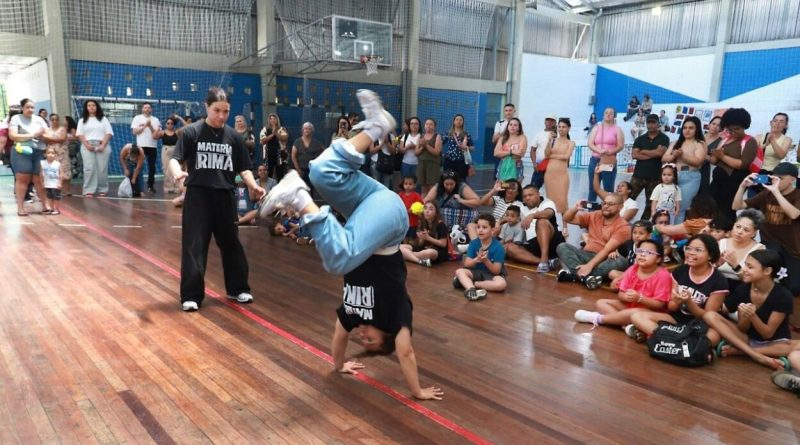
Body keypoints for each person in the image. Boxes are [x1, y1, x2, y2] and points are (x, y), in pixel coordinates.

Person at [258, 89, 443, 400]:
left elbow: (338, 335)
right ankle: (300, 198)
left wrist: (339, 364)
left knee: (321, 172)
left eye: (363, 341)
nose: (363, 336)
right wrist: (418, 391)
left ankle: (376, 127)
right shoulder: (396, 315)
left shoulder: (353, 314)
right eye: (370, 341)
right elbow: (406, 353)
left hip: (370, 207)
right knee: (338, 261)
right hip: (391, 223)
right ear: (384, 335)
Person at [167, 87, 266, 312]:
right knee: (194, 246)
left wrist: (253, 185)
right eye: (216, 110)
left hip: (224, 197)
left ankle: (238, 288)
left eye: (226, 111)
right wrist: (177, 173)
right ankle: (191, 295)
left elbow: (244, 168)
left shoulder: (234, 137)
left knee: (232, 245)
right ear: (206, 107)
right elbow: (175, 159)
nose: (221, 116)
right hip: (198, 198)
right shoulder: (191, 132)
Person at [703, 250, 797, 370]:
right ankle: (758, 356)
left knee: (795, 345)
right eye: (746, 265)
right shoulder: (743, 289)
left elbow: (767, 334)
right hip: (747, 338)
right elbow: (742, 328)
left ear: (767, 271)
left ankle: (740, 351)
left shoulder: (783, 296)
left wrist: (753, 316)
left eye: (750, 267)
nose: (745, 270)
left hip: (775, 342)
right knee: (710, 315)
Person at [628, 234, 729, 343]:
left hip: (699, 325)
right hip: (674, 321)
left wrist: (689, 303)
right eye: (688, 248)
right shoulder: (680, 271)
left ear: (710, 255)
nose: (691, 253)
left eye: (698, 250)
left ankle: (663, 338)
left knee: (713, 337)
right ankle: (683, 343)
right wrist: (676, 301)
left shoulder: (719, 281)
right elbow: (672, 308)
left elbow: (708, 317)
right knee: (637, 316)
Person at [734, 164, 800, 296]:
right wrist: (742, 186)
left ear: (792, 180)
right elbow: (737, 205)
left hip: (792, 249)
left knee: (794, 288)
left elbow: (794, 214)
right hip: (770, 245)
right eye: (774, 177)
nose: (776, 181)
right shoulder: (767, 193)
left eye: (780, 178)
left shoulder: (797, 195)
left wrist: (775, 191)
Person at [574, 239, 672, 328]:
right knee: (601, 303)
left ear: (658, 259)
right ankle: (627, 326)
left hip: (650, 312)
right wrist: (626, 297)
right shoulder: (633, 269)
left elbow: (660, 305)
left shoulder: (663, 275)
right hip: (630, 306)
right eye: (640, 251)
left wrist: (640, 298)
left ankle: (599, 319)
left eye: (648, 252)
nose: (642, 255)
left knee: (633, 313)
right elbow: (621, 294)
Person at [556, 193, 631, 289]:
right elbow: (567, 218)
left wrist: (589, 266)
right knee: (562, 246)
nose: (606, 206)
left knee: (620, 261)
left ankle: (575, 276)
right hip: (587, 255)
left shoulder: (623, 227)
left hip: (606, 259)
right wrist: (576, 208)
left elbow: (607, 250)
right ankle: (586, 278)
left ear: (621, 207)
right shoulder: (595, 215)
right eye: (604, 203)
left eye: (611, 204)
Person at [710, 108, 758, 221]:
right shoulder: (725, 139)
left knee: (726, 211)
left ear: (744, 126)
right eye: (730, 129)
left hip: (733, 183)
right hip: (717, 181)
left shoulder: (749, 141)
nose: (733, 132)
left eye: (737, 129)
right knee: (711, 208)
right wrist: (716, 155)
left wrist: (722, 156)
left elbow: (743, 164)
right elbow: (713, 160)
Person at [504, 185, 564, 272]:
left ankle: (544, 259)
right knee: (509, 247)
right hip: (533, 243)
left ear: (538, 194)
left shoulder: (547, 202)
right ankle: (546, 263)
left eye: (530, 195)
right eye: (525, 196)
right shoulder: (522, 207)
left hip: (552, 240)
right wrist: (498, 224)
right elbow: (511, 218)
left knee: (541, 221)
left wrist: (533, 215)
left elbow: (548, 213)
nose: (527, 198)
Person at [8, 98, 51, 215]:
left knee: (39, 179)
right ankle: (21, 208)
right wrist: (33, 135)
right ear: (22, 108)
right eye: (27, 107)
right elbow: (13, 136)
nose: (30, 109)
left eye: (32, 107)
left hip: (39, 151)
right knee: (23, 179)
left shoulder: (39, 120)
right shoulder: (16, 119)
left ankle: (45, 205)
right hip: (22, 151)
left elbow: (47, 135)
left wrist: (43, 136)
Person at [453, 213, 507, 301]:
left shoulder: (498, 247)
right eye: (478, 227)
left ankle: (471, 284)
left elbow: (496, 271)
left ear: (492, 230)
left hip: (491, 274)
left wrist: (486, 261)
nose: (480, 230)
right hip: (475, 272)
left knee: (501, 284)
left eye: (484, 227)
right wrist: (476, 259)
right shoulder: (474, 243)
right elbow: (467, 264)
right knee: (459, 271)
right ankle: (471, 290)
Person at [661, 116, 705, 223]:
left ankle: (675, 236)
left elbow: (698, 161)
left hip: (691, 177)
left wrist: (682, 155)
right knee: (667, 206)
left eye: (691, 128)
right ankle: (666, 231)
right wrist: (673, 156)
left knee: (680, 208)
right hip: (674, 176)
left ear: (697, 129)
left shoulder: (700, 144)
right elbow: (664, 159)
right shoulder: (675, 142)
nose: (687, 130)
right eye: (685, 128)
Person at [629, 113, 669, 220]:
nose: (650, 125)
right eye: (649, 122)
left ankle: (643, 223)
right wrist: (654, 153)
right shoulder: (640, 139)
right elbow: (634, 155)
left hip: (655, 177)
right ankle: (624, 219)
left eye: (653, 122)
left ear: (658, 124)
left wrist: (643, 151)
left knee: (651, 203)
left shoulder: (664, 138)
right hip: (638, 176)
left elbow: (660, 154)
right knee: (628, 198)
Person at [716, 209, 765, 291]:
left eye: (746, 230)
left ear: (754, 233)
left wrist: (735, 265)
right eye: (738, 227)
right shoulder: (721, 243)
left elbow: (752, 280)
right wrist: (716, 265)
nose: (739, 232)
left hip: (741, 288)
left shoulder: (759, 249)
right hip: (717, 284)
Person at [77, 99, 114, 197]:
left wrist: (103, 145)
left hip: (102, 145)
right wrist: (87, 144)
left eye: (93, 105)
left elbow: (109, 133)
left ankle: (103, 189)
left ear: (97, 107)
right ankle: (89, 190)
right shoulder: (82, 120)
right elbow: (80, 134)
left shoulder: (103, 119)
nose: (91, 107)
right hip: (87, 146)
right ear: (86, 108)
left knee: (102, 168)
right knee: (89, 168)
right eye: (89, 105)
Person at [586, 107, 624, 202]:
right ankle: (591, 209)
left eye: (611, 113)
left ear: (614, 116)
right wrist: (598, 150)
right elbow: (590, 143)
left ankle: (609, 208)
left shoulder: (617, 129)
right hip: (595, 160)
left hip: (608, 160)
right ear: (603, 115)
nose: (608, 114)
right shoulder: (596, 128)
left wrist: (609, 152)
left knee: (608, 187)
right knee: (593, 187)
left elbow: (620, 145)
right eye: (606, 112)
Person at [543, 118, 576, 223]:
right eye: (559, 127)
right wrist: (549, 141)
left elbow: (566, 156)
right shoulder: (553, 141)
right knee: (550, 200)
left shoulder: (571, 143)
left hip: (562, 174)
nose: (561, 129)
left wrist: (553, 155)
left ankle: (565, 225)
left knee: (562, 200)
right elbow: (546, 154)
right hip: (550, 173)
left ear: (568, 128)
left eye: (564, 127)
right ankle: (551, 223)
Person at [607, 220, 653, 290]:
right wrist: (614, 253)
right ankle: (631, 286)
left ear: (649, 236)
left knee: (616, 284)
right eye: (634, 233)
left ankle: (631, 287)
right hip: (629, 275)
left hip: (644, 277)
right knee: (612, 273)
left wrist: (618, 279)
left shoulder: (651, 248)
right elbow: (619, 252)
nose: (637, 236)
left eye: (641, 233)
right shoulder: (629, 243)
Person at [400, 202, 448, 267]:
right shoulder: (423, 222)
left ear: (436, 213)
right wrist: (420, 238)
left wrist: (428, 238)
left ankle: (407, 255)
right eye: (425, 208)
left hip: (437, 251)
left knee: (429, 252)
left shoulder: (440, 225)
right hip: (423, 248)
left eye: (431, 209)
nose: (427, 211)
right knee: (400, 247)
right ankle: (420, 261)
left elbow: (443, 244)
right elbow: (420, 244)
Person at [131, 102, 161, 194]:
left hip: (152, 146)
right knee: (138, 167)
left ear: (151, 109)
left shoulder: (156, 120)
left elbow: (157, 135)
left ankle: (150, 186)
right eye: (145, 107)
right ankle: (137, 187)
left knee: (152, 167)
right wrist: (144, 126)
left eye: (149, 107)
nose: (147, 109)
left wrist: (150, 126)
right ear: (142, 109)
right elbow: (134, 132)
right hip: (141, 146)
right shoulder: (137, 118)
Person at [291, 122, 325, 189]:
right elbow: (293, 156)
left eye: (309, 129)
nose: (307, 130)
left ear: (312, 131)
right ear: (302, 130)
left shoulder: (316, 142)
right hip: (301, 170)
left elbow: (324, 153)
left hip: (312, 171)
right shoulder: (297, 142)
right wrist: (298, 169)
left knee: (311, 189)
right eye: (305, 128)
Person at [494, 118, 527, 184]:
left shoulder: (522, 137)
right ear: (507, 127)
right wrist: (511, 152)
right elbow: (496, 153)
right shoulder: (502, 138)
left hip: (516, 165)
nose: (512, 126)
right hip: (503, 165)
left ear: (519, 128)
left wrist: (503, 152)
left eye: (515, 125)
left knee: (513, 187)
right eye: (510, 124)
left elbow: (520, 153)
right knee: (502, 187)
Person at [442, 114, 473, 181]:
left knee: (461, 181)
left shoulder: (466, 134)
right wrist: (441, 154)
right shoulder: (448, 133)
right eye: (457, 119)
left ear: (463, 122)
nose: (458, 121)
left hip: (461, 162)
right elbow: (440, 143)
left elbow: (472, 148)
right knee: (448, 180)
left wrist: (466, 147)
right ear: (454, 121)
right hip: (449, 162)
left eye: (460, 120)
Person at [415, 118, 442, 194]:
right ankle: (424, 205)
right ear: (424, 126)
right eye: (427, 124)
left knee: (432, 188)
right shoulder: (420, 137)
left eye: (431, 124)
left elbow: (437, 152)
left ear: (434, 127)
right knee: (423, 188)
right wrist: (422, 146)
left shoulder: (437, 136)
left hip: (432, 165)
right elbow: (416, 153)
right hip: (421, 164)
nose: (428, 126)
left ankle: (432, 205)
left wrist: (426, 145)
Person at [529, 115, 557, 188]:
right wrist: (534, 164)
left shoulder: (559, 135)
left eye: (552, 120)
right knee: (533, 188)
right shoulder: (539, 134)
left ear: (555, 122)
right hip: (540, 166)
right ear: (544, 121)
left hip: (553, 167)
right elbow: (533, 150)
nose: (549, 122)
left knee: (553, 191)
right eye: (548, 120)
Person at [45, 114, 70, 193]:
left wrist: (52, 140)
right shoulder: (47, 130)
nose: (55, 121)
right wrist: (57, 140)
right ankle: (55, 190)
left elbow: (63, 138)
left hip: (62, 152)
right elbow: (45, 140)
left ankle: (67, 191)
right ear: (50, 121)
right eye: (52, 119)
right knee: (53, 171)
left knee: (65, 170)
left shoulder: (63, 129)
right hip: (52, 153)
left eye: (56, 119)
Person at [260, 113, 288, 180]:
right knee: (269, 173)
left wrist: (276, 132)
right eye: (271, 119)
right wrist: (272, 134)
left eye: (274, 118)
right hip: (268, 155)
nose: (272, 120)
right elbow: (262, 140)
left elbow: (284, 138)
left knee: (280, 174)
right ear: (269, 120)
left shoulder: (282, 129)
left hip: (280, 155)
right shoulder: (265, 129)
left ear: (277, 120)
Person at [699, 115, 722, 195]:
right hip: (691, 167)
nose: (715, 127)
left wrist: (703, 155)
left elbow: (713, 161)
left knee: (702, 193)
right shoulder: (699, 136)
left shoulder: (720, 141)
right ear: (709, 125)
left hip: (704, 169)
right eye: (713, 123)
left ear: (721, 129)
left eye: (718, 125)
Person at [159, 117, 180, 193]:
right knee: (166, 169)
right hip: (166, 150)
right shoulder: (162, 132)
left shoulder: (177, 132)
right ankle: (168, 187)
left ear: (174, 125)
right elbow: (154, 136)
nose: (170, 125)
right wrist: (157, 128)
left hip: (175, 150)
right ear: (165, 124)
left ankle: (177, 186)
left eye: (171, 123)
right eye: (168, 123)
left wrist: (179, 118)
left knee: (177, 168)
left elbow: (187, 126)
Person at [40, 147, 62, 215]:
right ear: (45, 154)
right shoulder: (42, 163)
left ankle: (56, 209)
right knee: (49, 197)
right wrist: (42, 182)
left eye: (52, 153)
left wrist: (60, 183)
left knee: (56, 197)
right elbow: (41, 173)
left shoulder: (57, 164)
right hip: (47, 184)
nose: (50, 154)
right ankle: (51, 208)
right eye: (48, 153)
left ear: (55, 155)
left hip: (55, 184)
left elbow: (61, 173)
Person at [398, 117, 421, 181]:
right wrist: (407, 147)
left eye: (416, 124)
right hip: (405, 163)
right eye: (412, 123)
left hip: (417, 164)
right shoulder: (405, 136)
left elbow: (422, 150)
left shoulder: (421, 136)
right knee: (405, 183)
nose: (414, 125)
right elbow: (401, 150)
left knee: (416, 184)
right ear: (409, 126)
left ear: (419, 126)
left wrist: (414, 146)